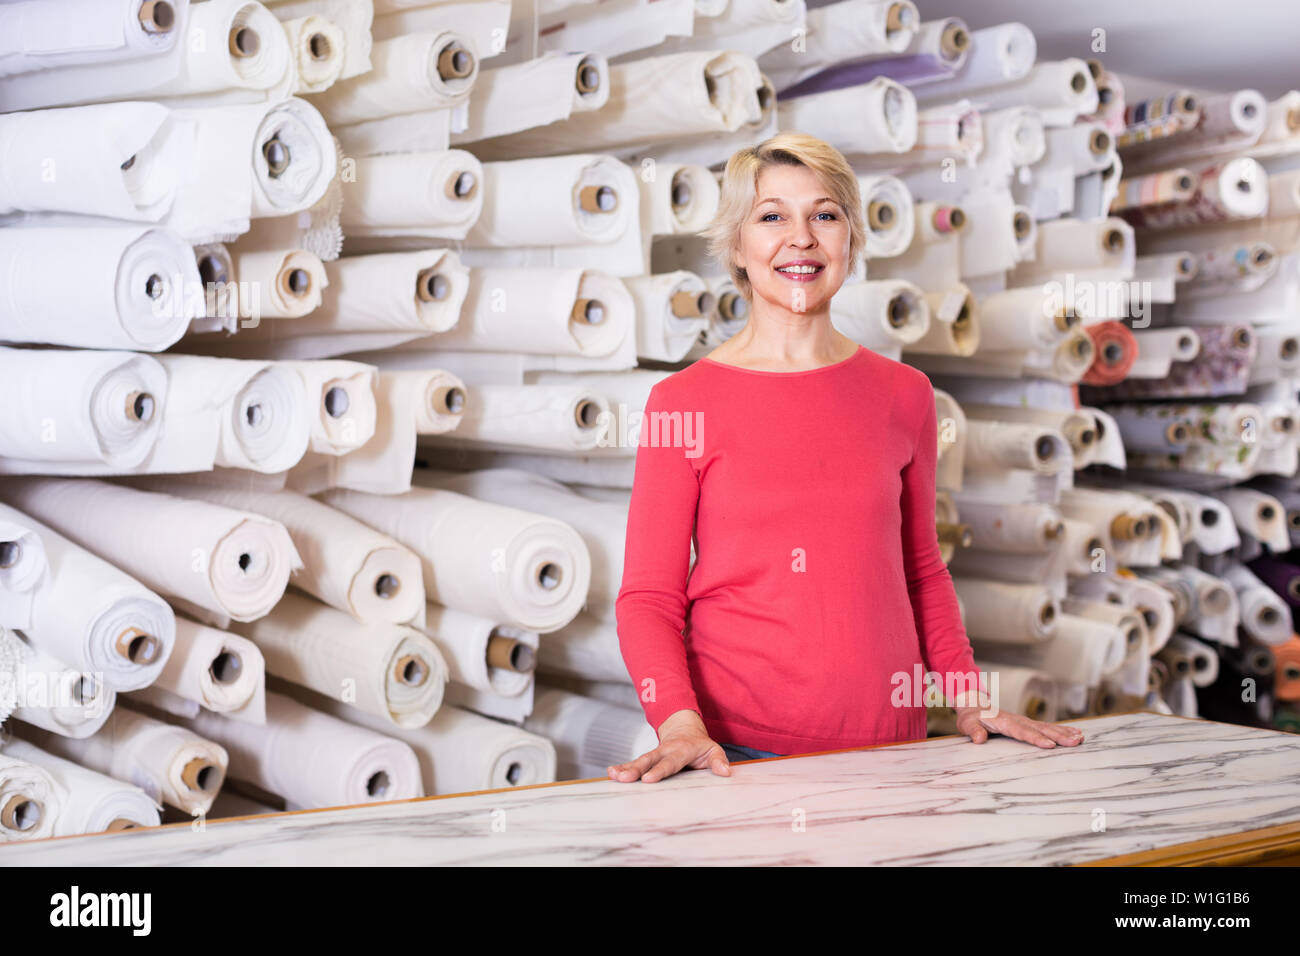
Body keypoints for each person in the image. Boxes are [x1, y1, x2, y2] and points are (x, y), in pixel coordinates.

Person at [609, 131, 1085, 785]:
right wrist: (678, 721)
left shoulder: (905, 395)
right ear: (737, 247)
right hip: (738, 755)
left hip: (894, 747)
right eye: (771, 215)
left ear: (851, 242)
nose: (800, 237)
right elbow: (648, 598)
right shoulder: (680, 402)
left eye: (824, 215)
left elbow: (922, 572)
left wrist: (969, 697)